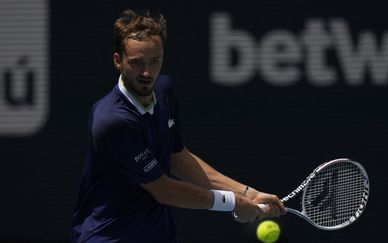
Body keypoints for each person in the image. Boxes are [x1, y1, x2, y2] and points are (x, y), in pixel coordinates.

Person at [71, 9, 286, 243]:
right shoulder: (112, 121)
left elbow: (178, 158)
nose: (146, 72)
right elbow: (165, 190)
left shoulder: (164, 91)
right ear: (118, 61)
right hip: (108, 237)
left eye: (154, 62)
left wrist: (247, 193)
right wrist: (232, 203)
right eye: (137, 63)